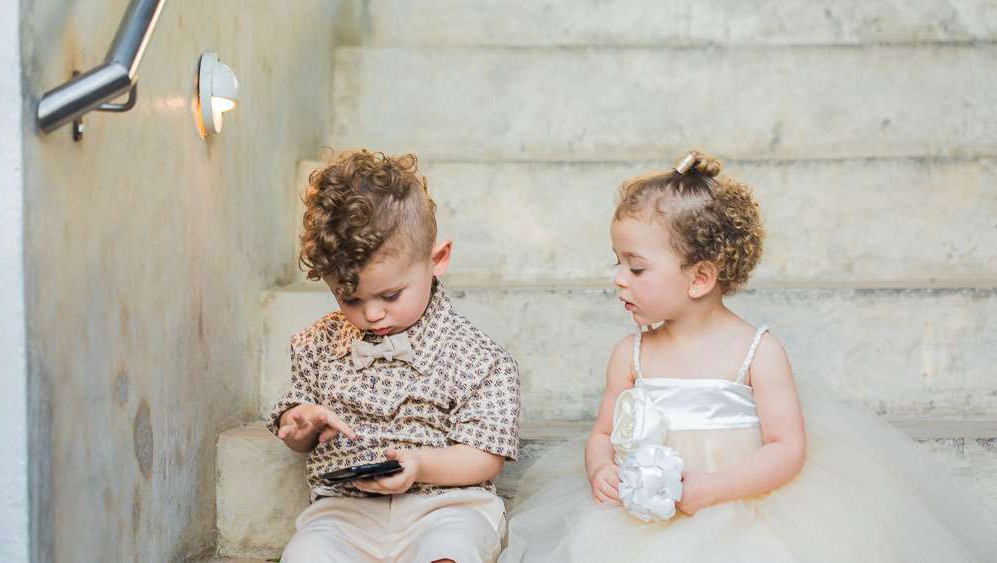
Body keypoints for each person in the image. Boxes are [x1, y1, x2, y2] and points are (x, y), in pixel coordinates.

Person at [500, 150, 997, 562]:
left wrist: (712, 489)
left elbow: (786, 448)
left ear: (700, 277)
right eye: (617, 263)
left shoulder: (756, 352)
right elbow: (603, 434)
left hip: (739, 504)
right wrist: (601, 469)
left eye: (637, 268)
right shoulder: (629, 354)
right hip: (639, 514)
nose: (617, 279)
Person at [267, 149, 520, 563]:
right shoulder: (316, 344)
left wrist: (419, 465)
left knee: (453, 549)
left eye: (390, 295)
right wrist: (300, 425)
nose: (372, 314)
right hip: (345, 510)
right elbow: (298, 434)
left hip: (445, 506)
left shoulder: (479, 358)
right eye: (350, 299)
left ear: (437, 260)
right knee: (305, 554)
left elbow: (485, 457)